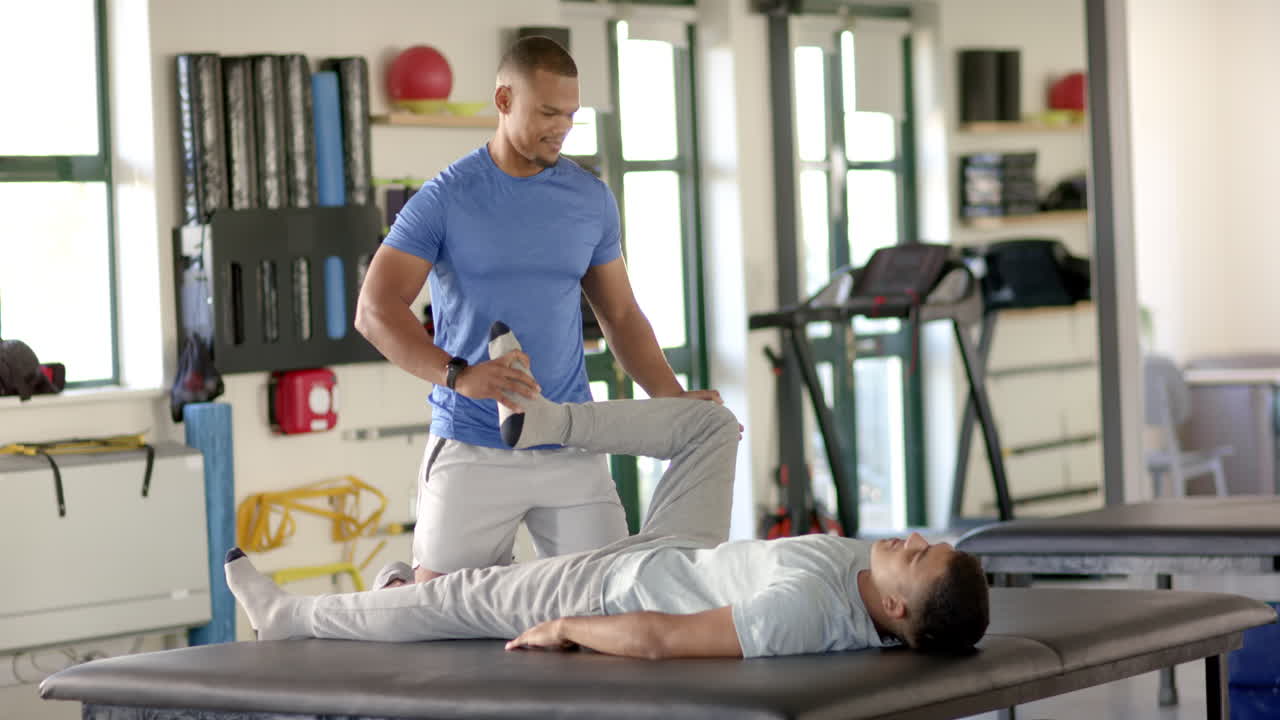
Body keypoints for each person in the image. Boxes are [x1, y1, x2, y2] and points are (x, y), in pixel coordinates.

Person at [226, 329, 990, 659]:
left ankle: (287, 615)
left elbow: (662, 640)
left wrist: (569, 626)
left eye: (918, 559)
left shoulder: (801, 613)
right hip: (683, 551)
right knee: (713, 426)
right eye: (928, 543)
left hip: (614, 585)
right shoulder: (869, 571)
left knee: (456, 598)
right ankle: (541, 420)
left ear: (894, 610)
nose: (912, 540)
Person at [355, 35, 721, 587]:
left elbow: (620, 314)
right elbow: (375, 309)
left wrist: (669, 402)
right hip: (472, 441)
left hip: (570, 442)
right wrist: (458, 374)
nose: (562, 128)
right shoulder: (445, 197)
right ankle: (401, 586)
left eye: (571, 115)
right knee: (434, 617)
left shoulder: (589, 199)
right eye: (548, 112)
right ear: (504, 101)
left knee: (610, 599)